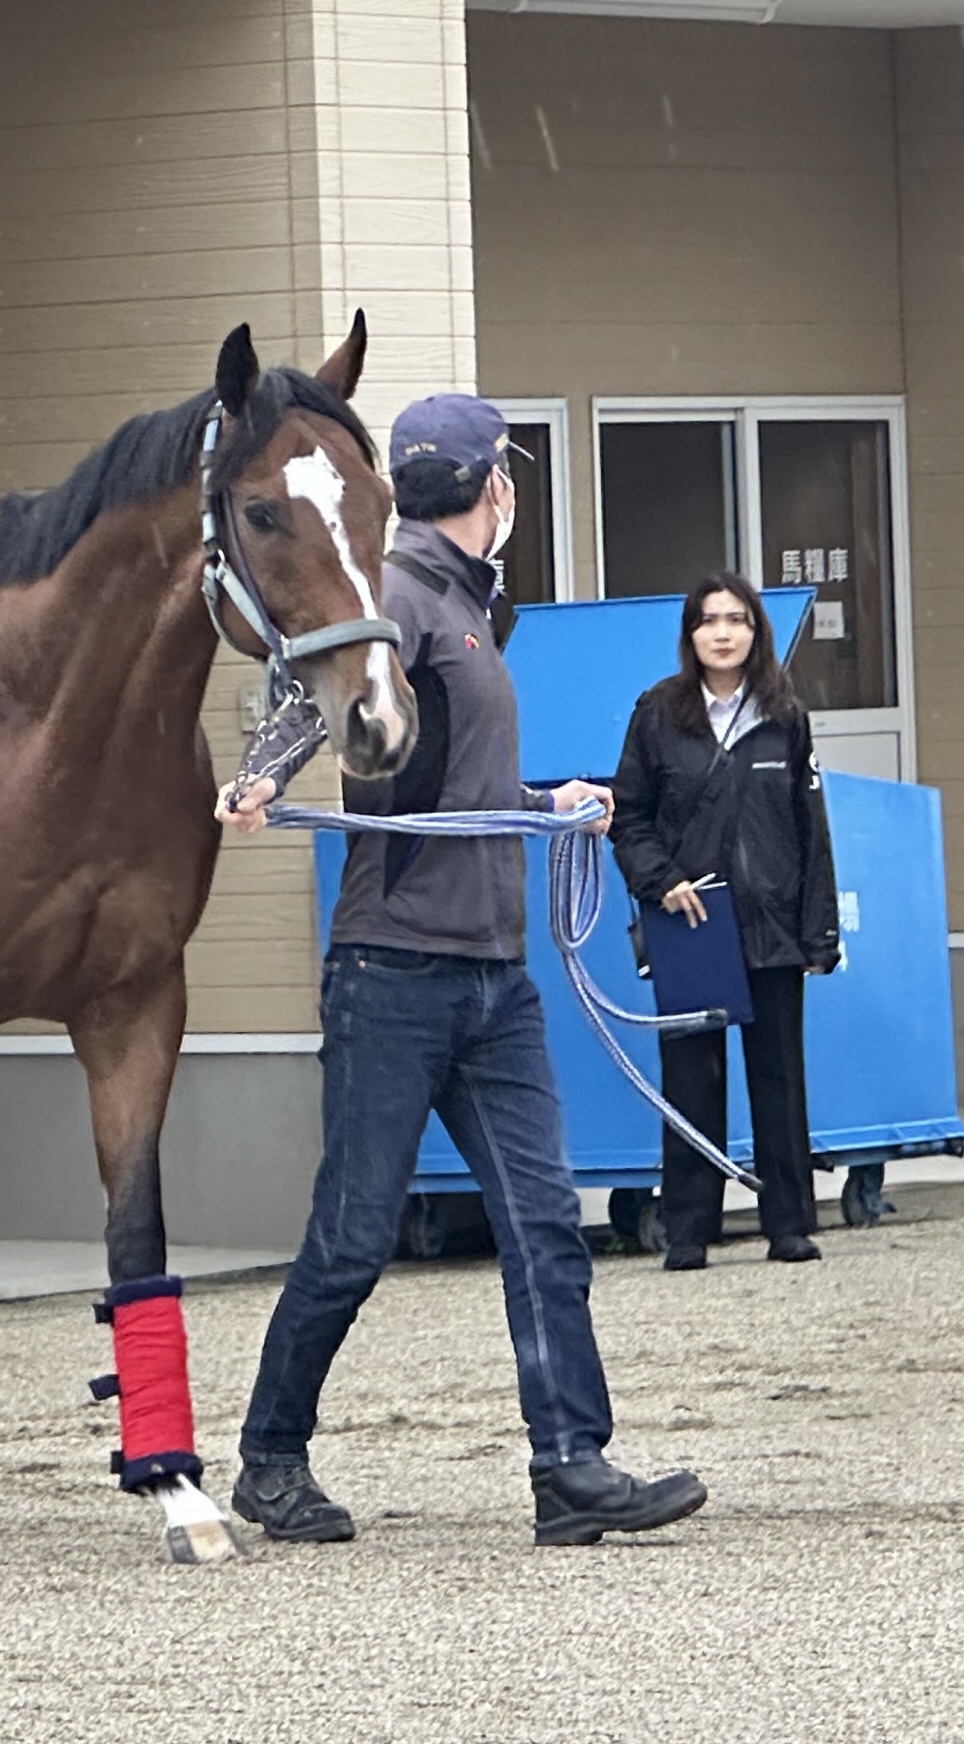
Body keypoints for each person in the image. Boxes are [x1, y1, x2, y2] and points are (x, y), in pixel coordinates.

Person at [217, 392, 708, 1549]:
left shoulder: (467, 608)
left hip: (493, 971)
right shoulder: (397, 593)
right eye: (510, 478)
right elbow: (310, 691)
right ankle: (270, 1456)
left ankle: (571, 1464)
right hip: (395, 969)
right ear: (496, 488)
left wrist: (546, 806)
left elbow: (454, 784)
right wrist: (263, 774)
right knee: (352, 1232)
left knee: (543, 1218)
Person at [609, 572, 841, 1271]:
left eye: (736, 620)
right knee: (690, 1078)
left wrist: (819, 932)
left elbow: (811, 829)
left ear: (755, 632)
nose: (722, 632)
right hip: (691, 922)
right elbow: (630, 817)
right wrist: (661, 880)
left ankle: (790, 1225)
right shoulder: (657, 713)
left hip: (772, 921)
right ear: (690, 635)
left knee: (778, 1077)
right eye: (708, 620)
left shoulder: (784, 714)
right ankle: (686, 1230)